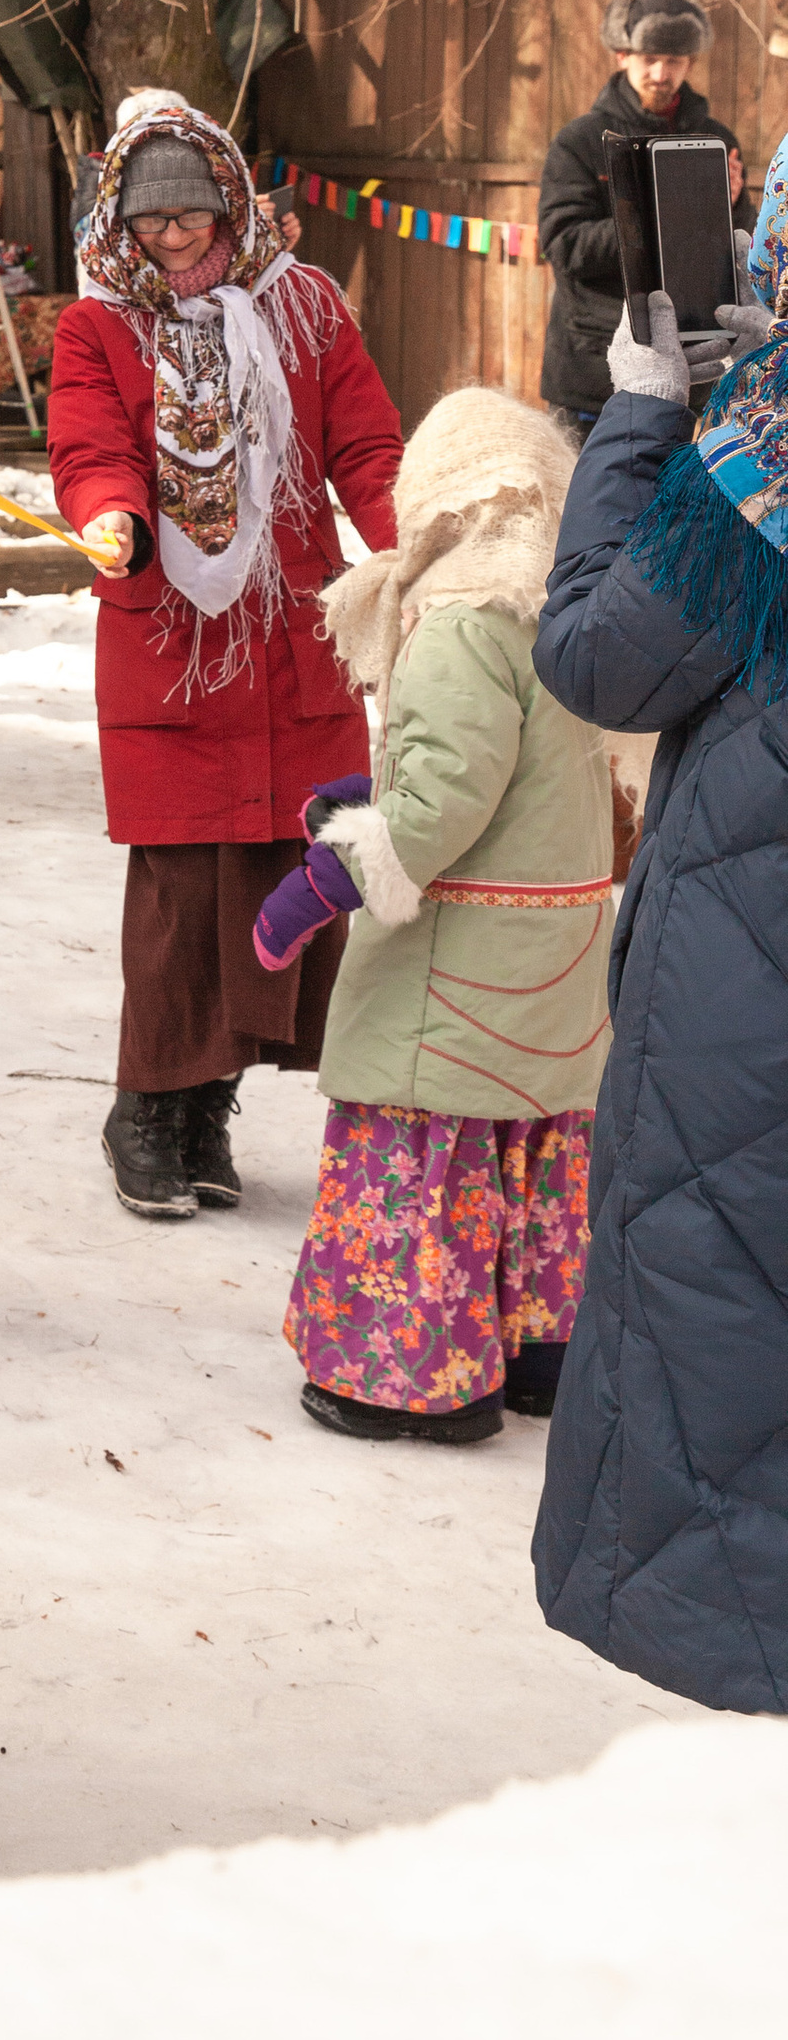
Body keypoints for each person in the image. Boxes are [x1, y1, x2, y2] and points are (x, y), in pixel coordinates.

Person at [523, 167, 788, 1709]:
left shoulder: (757, 476)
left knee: (732, 1329)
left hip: (751, 996)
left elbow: (596, 658)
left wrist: (643, 413)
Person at [49, 103, 403, 1224]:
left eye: (195, 213)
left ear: (232, 201)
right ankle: (147, 1104)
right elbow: (87, 445)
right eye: (151, 222)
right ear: (120, 220)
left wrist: (414, 550)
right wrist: (108, 512)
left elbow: (365, 446)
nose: (176, 238)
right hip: (172, 637)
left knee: (285, 874)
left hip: (293, 633)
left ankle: (213, 1102)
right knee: (179, 891)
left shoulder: (305, 307)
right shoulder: (95, 328)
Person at [253, 390, 619, 1446]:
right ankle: (537, 1351)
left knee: (424, 1148)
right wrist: (378, 786)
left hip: (460, 958)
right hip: (554, 950)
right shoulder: (562, 606)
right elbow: (523, 782)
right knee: (532, 1142)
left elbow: (446, 798)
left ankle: (408, 1381)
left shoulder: (464, 618)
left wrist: (321, 881)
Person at [536, 0, 744, 429]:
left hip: (693, 374)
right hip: (595, 376)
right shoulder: (581, 142)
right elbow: (564, 245)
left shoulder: (718, 141)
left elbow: (737, 258)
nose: (660, 72)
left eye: (674, 60)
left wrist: (732, 210)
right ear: (622, 54)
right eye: (649, 57)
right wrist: (663, 215)